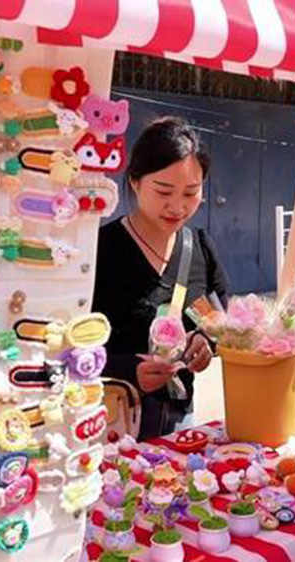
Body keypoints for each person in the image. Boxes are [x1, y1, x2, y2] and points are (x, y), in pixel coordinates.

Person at [93, 117, 229, 440]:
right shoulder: (102, 251)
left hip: (180, 427)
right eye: (164, 191)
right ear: (135, 181)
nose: (177, 207)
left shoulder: (199, 248)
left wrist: (206, 340)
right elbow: (70, 345)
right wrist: (127, 369)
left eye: (191, 193)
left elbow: (217, 313)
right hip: (110, 428)